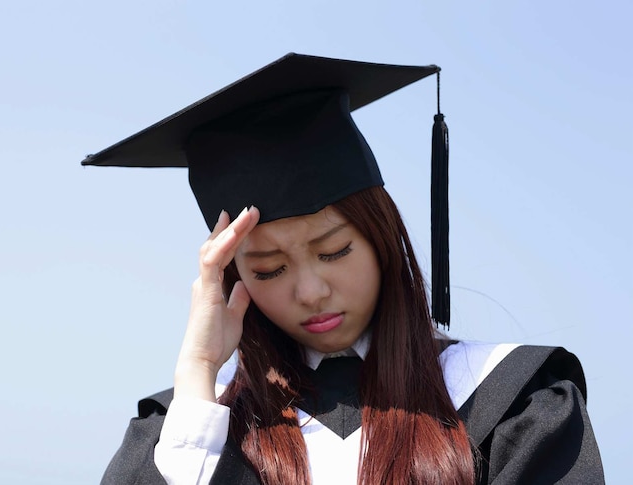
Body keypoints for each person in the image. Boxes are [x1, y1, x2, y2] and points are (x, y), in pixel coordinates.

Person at [83, 53, 604, 484]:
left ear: (381, 238)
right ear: (231, 281)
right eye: (267, 270)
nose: (310, 291)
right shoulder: (184, 429)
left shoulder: (512, 402)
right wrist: (198, 372)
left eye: (334, 252)